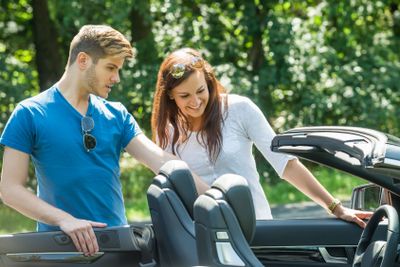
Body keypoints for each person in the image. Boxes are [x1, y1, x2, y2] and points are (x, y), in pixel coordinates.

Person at [0, 25, 197, 257]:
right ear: (83, 60)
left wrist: (217, 196)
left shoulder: (117, 115)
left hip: (117, 248)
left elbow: (163, 162)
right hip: (61, 251)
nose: (116, 78)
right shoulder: (30, 113)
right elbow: (10, 190)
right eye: (111, 68)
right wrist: (65, 220)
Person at [151, 47, 372, 227]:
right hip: (202, 235)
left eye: (200, 90)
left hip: (255, 228)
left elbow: (286, 164)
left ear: (209, 82)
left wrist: (335, 207)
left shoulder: (239, 110)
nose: (195, 101)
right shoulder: (168, 133)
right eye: (184, 96)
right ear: (170, 96)